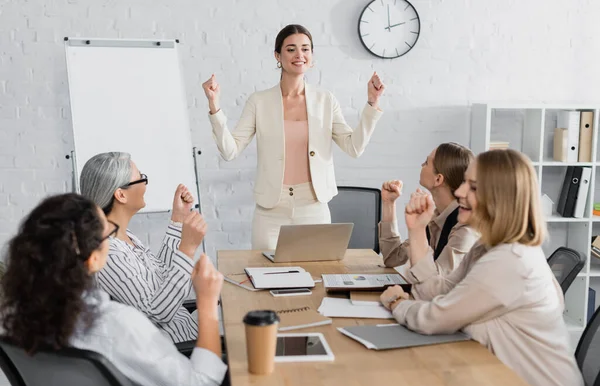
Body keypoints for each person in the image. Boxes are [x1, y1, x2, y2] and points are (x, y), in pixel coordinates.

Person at [380, 149, 584, 386]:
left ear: (500, 199)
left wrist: (396, 303)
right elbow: (435, 290)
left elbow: (434, 317)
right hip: (501, 380)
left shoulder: (510, 260)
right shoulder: (487, 247)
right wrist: (417, 229)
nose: (459, 192)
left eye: (473, 187)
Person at [0, 193, 226, 386]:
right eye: (108, 232)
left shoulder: (12, 319)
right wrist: (206, 304)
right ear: (93, 259)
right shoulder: (116, 324)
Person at [202, 24, 385, 250]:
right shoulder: (259, 101)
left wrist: (372, 103)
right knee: (266, 277)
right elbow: (230, 151)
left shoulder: (325, 100)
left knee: (317, 279)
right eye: (291, 49)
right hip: (270, 211)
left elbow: (353, 147)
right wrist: (215, 107)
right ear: (277, 56)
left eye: (305, 49)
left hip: (313, 208)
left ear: (312, 56)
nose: (299, 55)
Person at [80, 152, 206, 343]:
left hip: (188, 338)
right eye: (141, 179)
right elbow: (156, 313)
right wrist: (187, 249)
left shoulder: (125, 237)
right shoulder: (109, 254)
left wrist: (177, 219)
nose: (145, 184)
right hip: (176, 354)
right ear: (121, 195)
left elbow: (161, 278)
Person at [379, 143, 478, 284]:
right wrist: (389, 203)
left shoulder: (465, 228)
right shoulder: (434, 217)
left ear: (438, 179)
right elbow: (393, 258)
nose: (421, 165)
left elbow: (435, 285)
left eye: (426, 162)